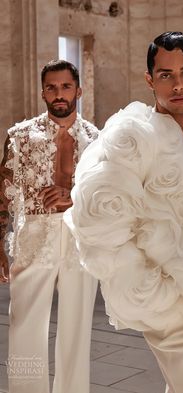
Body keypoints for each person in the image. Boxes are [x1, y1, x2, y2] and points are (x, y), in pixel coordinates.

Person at [64, 32, 183, 393]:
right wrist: (164, 298)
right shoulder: (134, 137)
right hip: (173, 308)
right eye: (165, 75)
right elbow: (96, 222)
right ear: (149, 79)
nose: (177, 84)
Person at [0, 60, 98, 393]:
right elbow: (3, 192)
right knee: (25, 326)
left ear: (78, 90)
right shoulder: (20, 136)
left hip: (79, 241)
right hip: (33, 238)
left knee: (77, 328)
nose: (59, 94)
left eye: (66, 86)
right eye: (52, 87)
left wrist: (72, 196)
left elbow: (107, 197)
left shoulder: (99, 141)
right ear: (42, 92)